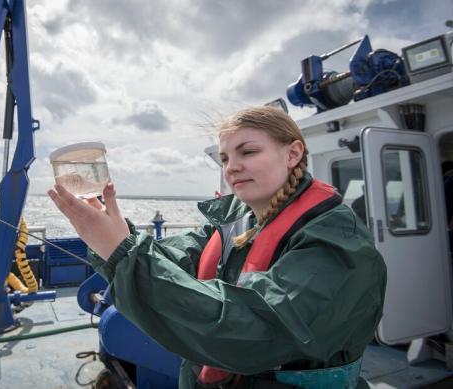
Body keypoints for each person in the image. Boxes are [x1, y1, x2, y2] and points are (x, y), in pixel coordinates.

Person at [49, 106, 387, 389]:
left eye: (248, 151)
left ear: (293, 154)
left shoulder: (336, 239)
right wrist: (120, 238)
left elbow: (255, 332)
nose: (232, 167)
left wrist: (122, 252)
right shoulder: (233, 220)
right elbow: (174, 258)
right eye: (225, 158)